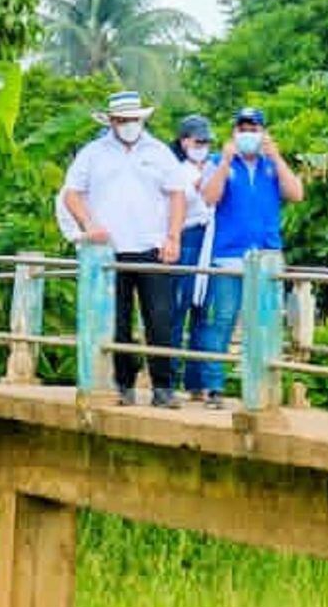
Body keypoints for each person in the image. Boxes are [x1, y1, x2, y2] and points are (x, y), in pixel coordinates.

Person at [60, 90, 188, 408]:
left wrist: (173, 237)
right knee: (116, 323)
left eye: (133, 119)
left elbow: (177, 195)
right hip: (109, 252)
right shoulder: (92, 153)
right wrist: (89, 225)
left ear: (141, 119)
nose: (128, 125)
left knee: (160, 319)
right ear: (112, 121)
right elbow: (71, 194)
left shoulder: (159, 152)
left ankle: (163, 387)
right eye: (122, 120)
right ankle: (123, 384)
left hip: (152, 248)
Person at [186, 106, 307, 405]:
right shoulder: (218, 162)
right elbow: (209, 197)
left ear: (263, 132)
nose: (248, 134)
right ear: (234, 133)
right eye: (242, 129)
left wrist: (277, 157)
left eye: (253, 129)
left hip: (267, 255)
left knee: (264, 322)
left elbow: (296, 193)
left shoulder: (271, 165)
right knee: (222, 320)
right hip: (228, 255)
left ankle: (262, 390)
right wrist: (226, 161)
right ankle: (214, 388)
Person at [167, 114, 220, 400]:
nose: (202, 145)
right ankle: (169, 379)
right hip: (186, 237)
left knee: (204, 313)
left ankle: (197, 382)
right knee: (178, 309)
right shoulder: (175, 169)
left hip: (212, 240)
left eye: (206, 141)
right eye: (197, 140)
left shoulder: (215, 167)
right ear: (184, 141)